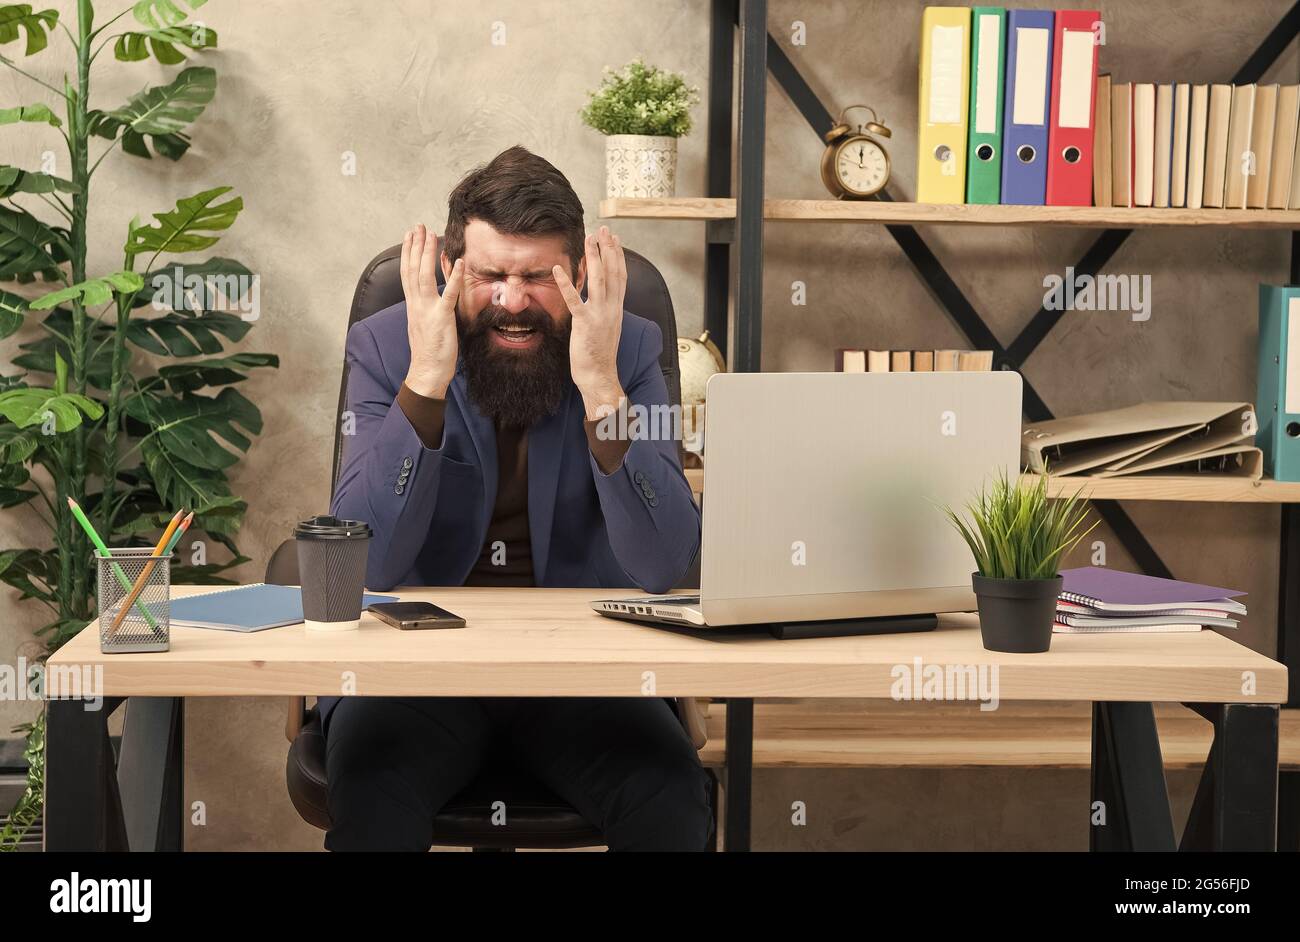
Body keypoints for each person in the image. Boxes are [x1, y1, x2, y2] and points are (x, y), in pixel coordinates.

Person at [323, 145, 710, 851]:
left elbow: (661, 563)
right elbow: (367, 563)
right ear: (449, 268)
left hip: (582, 680)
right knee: (373, 805)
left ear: (581, 276)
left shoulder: (628, 350)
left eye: (538, 277)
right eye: (489, 275)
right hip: (417, 681)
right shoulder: (385, 347)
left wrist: (600, 387)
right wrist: (428, 376)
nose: (511, 300)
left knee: (674, 802)